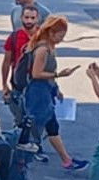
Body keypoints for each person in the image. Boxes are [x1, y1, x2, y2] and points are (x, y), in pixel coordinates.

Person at [18, 16, 85, 170]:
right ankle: (64, 159)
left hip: (45, 91)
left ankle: (66, 159)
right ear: (51, 33)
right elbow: (36, 73)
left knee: (46, 125)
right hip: (38, 93)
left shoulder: (47, 47)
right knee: (37, 124)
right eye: (60, 36)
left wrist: (56, 89)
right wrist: (58, 75)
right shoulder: (43, 49)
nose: (61, 40)